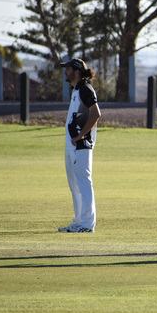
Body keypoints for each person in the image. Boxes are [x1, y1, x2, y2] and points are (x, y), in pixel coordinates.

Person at [58, 58, 101, 233]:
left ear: (76, 72)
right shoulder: (77, 90)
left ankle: (87, 224)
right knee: (74, 185)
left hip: (81, 144)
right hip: (73, 145)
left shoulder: (85, 88)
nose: (64, 72)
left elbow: (96, 113)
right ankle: (79, 221)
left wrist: (80, 135)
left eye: (67, 69)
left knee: (84, 183)